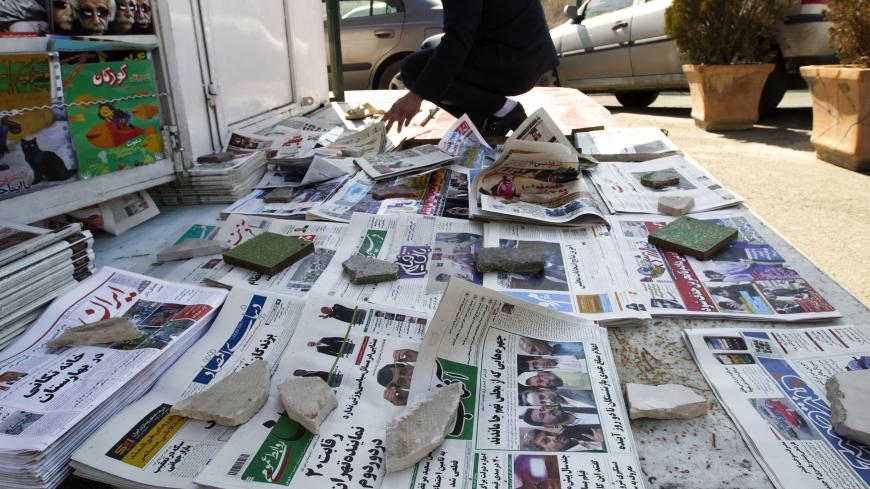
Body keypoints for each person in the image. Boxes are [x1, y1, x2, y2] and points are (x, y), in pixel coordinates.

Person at [382, 0, 558, 137]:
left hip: (516, 64)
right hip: (529, 56)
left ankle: (504, 110)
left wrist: (416, 95)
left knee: (413, 69)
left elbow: (458, 39)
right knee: (431, 47)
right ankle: (485, 119)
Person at [520, 425, 604, 452]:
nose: (554, 437)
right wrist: (604, 443)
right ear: (547, 450)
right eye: (546, 441)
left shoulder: (571, 430)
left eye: (548, 433)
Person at [520, 406, 595, 428]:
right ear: (547, 425)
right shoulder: (575, 435)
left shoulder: (574, 403)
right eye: (543, 415)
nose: (548, 411)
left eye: (543, 409)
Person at [520, 387, 595, 409]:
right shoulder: (567, 412)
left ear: (543, 389)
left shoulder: (570, 387)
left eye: (542, 396)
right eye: (543, 402)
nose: (548, 400)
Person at [518, 370, 591, 390]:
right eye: (540, 385)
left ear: (542, 374)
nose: (545, 385)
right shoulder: (561, 387)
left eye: (540, 381)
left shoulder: (565, 368)